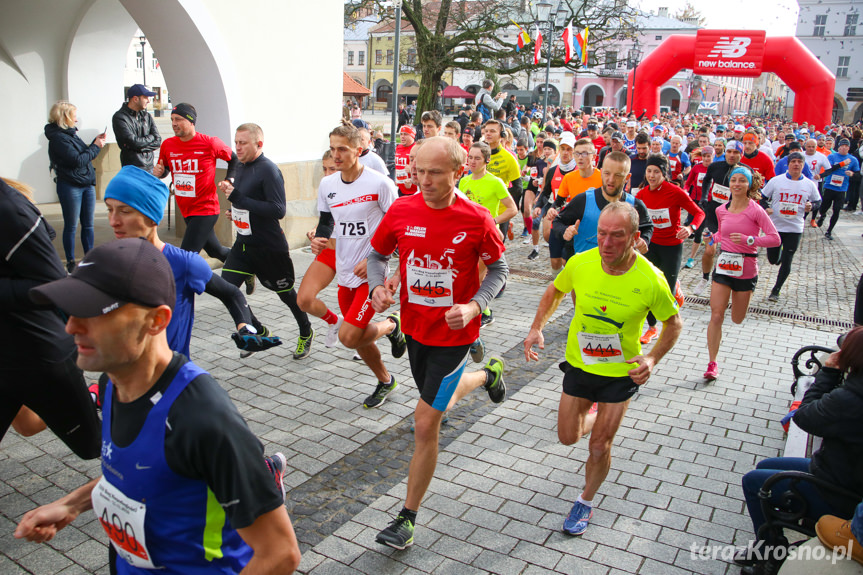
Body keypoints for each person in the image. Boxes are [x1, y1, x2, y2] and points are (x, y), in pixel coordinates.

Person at [17, 239, 301, 574]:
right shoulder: (111, 381)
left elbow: (280, 553)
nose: (71, 327)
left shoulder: (203, 419)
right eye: (71, 311)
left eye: (94, 312)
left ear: (156, 320)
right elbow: (145, 473)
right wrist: (71, 505)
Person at [367, 136, 509, 550]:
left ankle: (406, 518)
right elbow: (378, 256)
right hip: (415, 329)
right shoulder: (402, 209)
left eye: (434, 173)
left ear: (458, 173)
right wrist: (378, 288)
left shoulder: (477, 218)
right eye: (417, 171)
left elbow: (499, 269)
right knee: (438, 402)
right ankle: (487, 375)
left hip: (455, 335)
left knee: (426, 420)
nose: (423, 180)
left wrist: (475, 306)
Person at [524, 201, 683, 536]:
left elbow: (673, 324)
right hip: (581, 365)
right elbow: (555, 290)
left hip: (621, 372)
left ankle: (586, 500)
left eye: (616, 236)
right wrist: (537, 327)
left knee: (599, 445)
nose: (606, 244)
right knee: (567, 437)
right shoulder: (582, 263)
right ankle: (599, 416)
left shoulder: (650, 279)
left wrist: (651, 359)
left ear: (634, 237)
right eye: (601, 234)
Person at [104, 166, 281, 360]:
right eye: (109, 210)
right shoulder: (107, 263)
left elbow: (231, 293)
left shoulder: (183, 263)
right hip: (120, 380)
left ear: (151, 216)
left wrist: (245, 327)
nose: (113, 221)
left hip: (170, 382)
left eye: (124, 211)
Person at [737, 327, 863, 572]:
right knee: (765, 467)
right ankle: (771, 540)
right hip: (840, 472)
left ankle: (770, 554)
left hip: (839, 493)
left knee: (754, 482)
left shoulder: (851, 399)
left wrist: (828, 371)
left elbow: (804, 416)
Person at [0, 177, 101, 460]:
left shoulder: (10, 210)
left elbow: (54, 284)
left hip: (39, 358)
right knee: (29, 425)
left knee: (93, 447)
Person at [312, 124, 405, 409]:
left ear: (358, 150)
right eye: (333, 149)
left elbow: (398, 228)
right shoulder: (328, 184)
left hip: (371, 273)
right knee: (360, 340)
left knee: (349, 335)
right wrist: (320, 239)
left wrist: (376, 257)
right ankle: (386, 380)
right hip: (345, 272)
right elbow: (327, 220)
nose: (336, 155)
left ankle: (391, 325)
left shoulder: (379, 183)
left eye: (342, 149)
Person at [218, 124, 314, 359]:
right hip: (243, 245)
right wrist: (235, 211)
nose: (237, 148)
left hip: (269, 247)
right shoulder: (240, 167)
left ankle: (306, 330)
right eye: (236, 142)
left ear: (258, 144)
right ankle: (257, 331)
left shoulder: (268, 170)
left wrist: (238, 198)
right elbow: (246, 202)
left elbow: (278, 210)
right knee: (226, 290)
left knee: (286, 294)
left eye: (243, 143)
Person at [703, 166, 780, 380]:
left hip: (746, 268)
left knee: (737, 318)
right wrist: (712, 238)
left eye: (741, 181)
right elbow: (722, 235)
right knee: (716, 314)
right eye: (734, 180)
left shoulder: (756, 210)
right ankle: (712, 363)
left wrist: (751, 241)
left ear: (749, 185)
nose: (737, 184)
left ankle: (736, 313)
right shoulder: (721, 210)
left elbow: (775, 238)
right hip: (724, 266)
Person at [153, 103, 238, 267]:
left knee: (185, 259)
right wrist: (160, 172)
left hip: (205, 209)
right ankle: (245, 264)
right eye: (172, 119)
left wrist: (229, 180)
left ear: (191, 121)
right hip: (186, 209)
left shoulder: (210, 143)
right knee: (215, 251)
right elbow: (166, 170)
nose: (174, 123)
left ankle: (223, 292)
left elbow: (234, 160)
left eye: (178, 119)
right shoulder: (168, 145)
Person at [635, 154, 703, 344]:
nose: (652, 176)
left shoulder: (675, 192)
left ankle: (675, 290)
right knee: (649, 287)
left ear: (664, 174)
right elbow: (634, 218)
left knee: (667, 291)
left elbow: (699, 213)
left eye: (656, 172)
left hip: (672, 246)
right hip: (650, 246)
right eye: (649, 171)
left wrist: (690, 228)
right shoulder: (641, 195)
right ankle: (652, 328)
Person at [551, 151, 654, 263]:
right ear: (601, 173)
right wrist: (565, 231)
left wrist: (644, 240)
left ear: (627, 177)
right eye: (607, 173)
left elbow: (647, 226)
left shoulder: (635, 205)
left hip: (618, 271)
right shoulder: (583, 200)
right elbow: (557, 222)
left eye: (618, 175)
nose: (611, 180)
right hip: (586, 269)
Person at [44, 100, 106, 272]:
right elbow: (77, 161)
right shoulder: (58, 139)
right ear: (64, 117)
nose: (76, 119)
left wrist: (94, 144)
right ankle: (71, 262)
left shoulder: (70, 134)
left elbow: (81, 155)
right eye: (74, 115)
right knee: (71, 225)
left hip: (86, 184)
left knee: (88, 225)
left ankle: (89, 259)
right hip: (70, 186)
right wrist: (95, 147)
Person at [297, 151, 343, 348]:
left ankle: (366, 340)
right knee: (304, 300)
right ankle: (334, 321)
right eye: (324, 169)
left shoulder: (359, 188)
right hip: (327, 254)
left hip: (350, 256)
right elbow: (327, 221)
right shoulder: (326, 187)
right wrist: (316, 233)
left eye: (332, 168)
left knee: (355, 322)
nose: (327, 173)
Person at [761, 152, 821, 302]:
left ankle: (776, 290)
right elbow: (762, 198)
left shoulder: (809, 184)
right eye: (793, 161)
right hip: (775, 226)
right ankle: (777, 257)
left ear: (803, 164)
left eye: (799, 162)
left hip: (795, 227)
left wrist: (811, 206)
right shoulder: (776, 181)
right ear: (788, 164)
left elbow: (818, 202)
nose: (796, 164)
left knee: (788, 259)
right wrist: (766, 207)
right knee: (773, 259)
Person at [693, 139, 745, 297]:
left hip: (733, 218)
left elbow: (753, 192)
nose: (731, 155)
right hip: (713, 215)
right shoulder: (715, 166)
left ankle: (725, 284)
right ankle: (704, 278)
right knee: (709, 251)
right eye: (729, 151)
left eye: (736, 152)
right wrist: (703, 197)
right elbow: (707, 180)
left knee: (729, 253)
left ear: (741, 155)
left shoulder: (745, 172)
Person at [482, 119, 523, 240]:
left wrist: (505, 200)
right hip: (481, 208)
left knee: (497, 247)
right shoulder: (479, 154)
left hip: (500, 212)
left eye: (493, 131)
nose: (488, 134)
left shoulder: (509, 158)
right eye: (486, 131)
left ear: (502, 135)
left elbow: (518, 187)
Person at [111, 84, 161, 172]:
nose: (149, 101)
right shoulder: (120, 117)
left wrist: (138, 147)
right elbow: (134, 142)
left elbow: (158, 141)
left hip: (150, 168)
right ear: (135, 99)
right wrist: (150, 138)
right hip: (132, 169)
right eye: (146, 97)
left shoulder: (147, 116)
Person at [817, 137, 860, 240]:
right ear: (838, 147)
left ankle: (829, 231)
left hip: (841, 189)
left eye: (846, 146)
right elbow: (829, 169)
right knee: (823, 208)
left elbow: (858, 175)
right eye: (842, 146)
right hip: (829, 187)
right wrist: (842, 164)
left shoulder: (853, 160)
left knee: (836, 210)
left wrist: (852, 174)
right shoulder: (832, 156)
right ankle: (822, 215)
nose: (844, 148)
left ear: (849, 148)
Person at [683, 146, 714, 268]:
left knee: (700, 230)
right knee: (692, 225)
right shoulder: (697, 168)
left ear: (712, 157)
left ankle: (691, 258)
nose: (706, 159)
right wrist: (685, 191)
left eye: (709, 156)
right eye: (705, 156)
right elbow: (688, 183)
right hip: (696, 201)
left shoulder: (715, 169)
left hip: (710, 203)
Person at [394, 125, 418, 196]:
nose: (402, 136)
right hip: (401, 189)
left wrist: (412, 170)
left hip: (413, 190)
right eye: (401, 134)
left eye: (405, 134)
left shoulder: (416, 148)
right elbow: (398, 166)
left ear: (412, 136)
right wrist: (398, 180)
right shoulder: (398, 147)